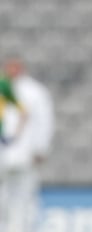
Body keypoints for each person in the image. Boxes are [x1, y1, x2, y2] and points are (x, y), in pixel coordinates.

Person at [0, 57, 54, 232]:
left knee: (24, 198)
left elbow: (44, 121)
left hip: (26, 154)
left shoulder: (35, 91)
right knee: (3, 198)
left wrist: (40, 149)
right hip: (3, 154)